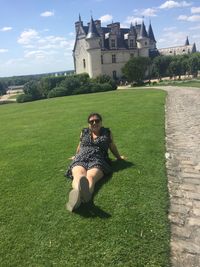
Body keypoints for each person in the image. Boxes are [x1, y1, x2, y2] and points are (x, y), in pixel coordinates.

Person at [65, 112, 125, 212]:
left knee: (90, 176)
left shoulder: (107, 133)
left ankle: (79, 195)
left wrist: (119, 157)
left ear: (101, 122)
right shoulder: (84, 132)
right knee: (78, 175)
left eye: (97, 121)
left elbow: (112, 146)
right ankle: (82, 194)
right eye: (91, 121)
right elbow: (80, 145)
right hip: (81, 157)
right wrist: (75, 155)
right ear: (88, 124)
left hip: (98, 158)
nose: (94, 123)